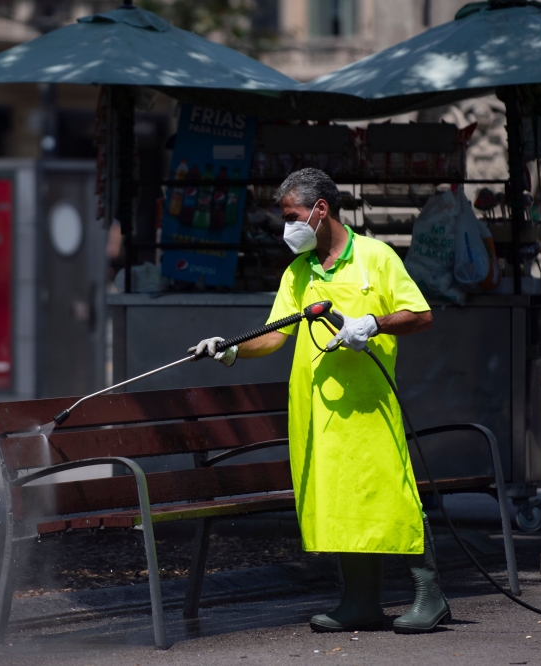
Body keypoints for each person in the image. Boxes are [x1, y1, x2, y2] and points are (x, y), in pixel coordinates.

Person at [189, 168, 446, 633]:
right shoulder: (298, 272)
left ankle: (430, 596)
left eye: (292, 216)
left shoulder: (375, 257)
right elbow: (272, 338)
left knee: (392, 495)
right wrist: (228, 349)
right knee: (340, 501)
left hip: (370, 406)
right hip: (318, 410)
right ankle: (360, 603)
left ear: (320, 210)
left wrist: (373, 324)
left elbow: (421, 316)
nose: (286, 227)